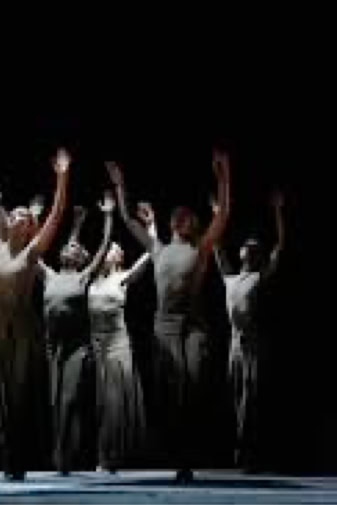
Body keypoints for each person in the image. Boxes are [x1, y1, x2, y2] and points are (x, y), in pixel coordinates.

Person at [106, 151, 231, 483]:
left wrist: (223, 176)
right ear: (172, 223)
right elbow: (128, 220)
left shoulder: (201, 249)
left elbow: (223, 215)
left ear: (194, 224)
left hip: (193, 326)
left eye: (187, 217)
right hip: (164, 327)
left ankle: (191, 449)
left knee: (193, 385)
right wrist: (121, 186)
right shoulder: (158, 248)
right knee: (171, 393)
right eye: (177, 216)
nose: (181, 219)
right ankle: (180, 455)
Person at [0, 147, 70, 480]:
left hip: (23, 327)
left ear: (29, 227)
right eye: (15, 213)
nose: (17, 215)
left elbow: (57, 214)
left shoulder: (32, 252)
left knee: (18, 393)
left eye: (24, 215)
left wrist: (62, 176)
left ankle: (16, 461)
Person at [40, 195, 114, 475]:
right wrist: (75, 225)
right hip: (53, 346)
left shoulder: (83, 276)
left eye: (74, 247)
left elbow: (104, 246)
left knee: (69, 399)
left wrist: (108, 216)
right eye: (66, 246)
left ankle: (65, 456)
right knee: (54, 401)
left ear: (82, 257)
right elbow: (31, 251)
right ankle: (60, 454)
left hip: (76, 347)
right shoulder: (49, 275)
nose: (68, 248)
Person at [211, 190, 284, 471]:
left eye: (254, 247)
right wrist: (217, 214)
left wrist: (277, 212)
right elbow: (216, 247)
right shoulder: (230, 278)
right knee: (235, 396)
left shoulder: (258, 277)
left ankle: (246, 454)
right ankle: (241, 449)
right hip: (234, 344)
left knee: (250, 398)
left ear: (257, 256)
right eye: (246, 245)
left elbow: (279, 247)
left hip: (253, 343)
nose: (249, 248)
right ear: (241, 252)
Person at [88, 203, 156, 473]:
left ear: (119, 257)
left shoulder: (123, 278)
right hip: (95, 344)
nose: (109, 251)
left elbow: (151, 252)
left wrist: (151, 225)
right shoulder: (91, 280)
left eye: (114, 249)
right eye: (108, 248)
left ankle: (112, 456)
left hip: (117, 344)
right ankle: (103, 452)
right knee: (99, 402)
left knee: (115, 401)